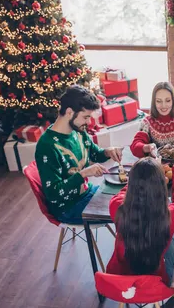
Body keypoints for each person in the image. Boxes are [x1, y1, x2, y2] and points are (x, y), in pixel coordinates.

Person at [35, 85, 122, 224]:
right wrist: (83, 174)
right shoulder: (46, 146)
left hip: (86, 193)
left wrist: (108, 151)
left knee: (128, 199)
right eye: (86, 117)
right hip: (67, 207)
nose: (89, 122)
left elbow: (95, 154)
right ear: (69, 112)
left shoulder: (77, 131)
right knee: (127, 213)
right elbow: (53, 194)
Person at [107, 156, 174, 290]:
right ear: (161, 185)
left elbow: (122, 194)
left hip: (122, 280)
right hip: (157, 281)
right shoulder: (171, 215)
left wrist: (139, 177)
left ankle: (139, 293)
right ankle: (147, 296)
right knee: (170, 238)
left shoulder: (116, 207)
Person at [130, 82, 174, 158]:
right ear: (154, 102)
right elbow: (135, 147)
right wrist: (148, 147)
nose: (163, 106)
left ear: (173, 100)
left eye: (168, 100)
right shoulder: (147, 122)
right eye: (159, 101)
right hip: (158, 167)